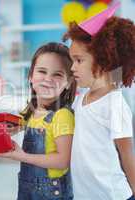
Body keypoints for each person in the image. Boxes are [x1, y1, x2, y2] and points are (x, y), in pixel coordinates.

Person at [64, 2, 135, 199]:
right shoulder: (81, 99)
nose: (72, 68)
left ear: (104, 60)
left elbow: (127, 154)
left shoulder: (114, 104)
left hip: (113, 195)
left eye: (79, 60)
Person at [0, 42, 76, 200]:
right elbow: (23, 122)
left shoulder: (61, 115)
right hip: (26, 188)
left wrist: (21, 156)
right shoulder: (32, 111)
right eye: (42, 71)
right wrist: (10, 126)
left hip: (51, 193)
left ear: (68, 82)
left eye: (57, 74)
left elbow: (63, 161)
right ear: (31, 76)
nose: (48, 79)